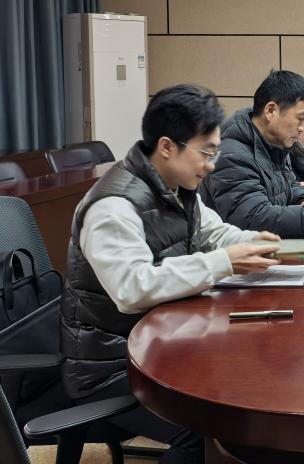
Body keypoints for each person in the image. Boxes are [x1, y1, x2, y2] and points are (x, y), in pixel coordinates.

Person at [60, 85, 282, 464]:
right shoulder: (114, 207)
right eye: (206, 152)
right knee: (212, 423)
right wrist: (225, 261)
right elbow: (132, 288)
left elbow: (213, 233)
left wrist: (255, 243)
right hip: (114, 366)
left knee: (253, 377)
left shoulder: (177, 186)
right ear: (167, 146)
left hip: (161, 343)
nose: (211, 164)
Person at [202, 70, 304, 238]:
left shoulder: (275, 143)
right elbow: (254, 218)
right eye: (300, 118)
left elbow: (289, 186)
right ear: (271, 110)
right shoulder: (232, 154)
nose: (302, 127)